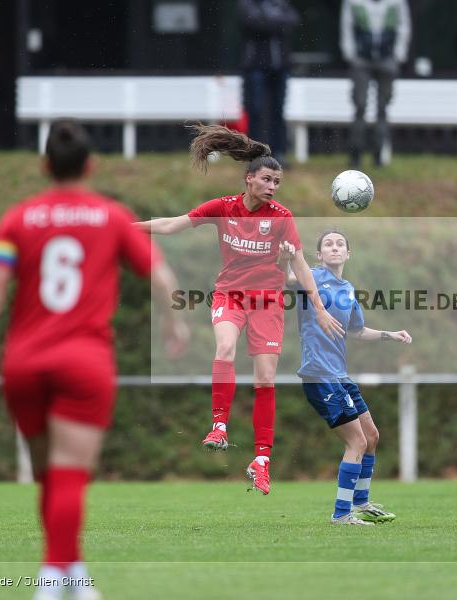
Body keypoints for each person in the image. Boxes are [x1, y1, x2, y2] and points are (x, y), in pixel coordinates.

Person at [0, 120, 189, 600]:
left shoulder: (16, 219)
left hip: (23, 361)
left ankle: (73, 574)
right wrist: (174, 323)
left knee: (49, 474)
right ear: (91, 165)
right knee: (69, 472)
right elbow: (162, 276)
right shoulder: (111, 217)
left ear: (45, 166)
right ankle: (52, 577)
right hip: (84, 361)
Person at [136, 125, 345, 496]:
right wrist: (122, 228)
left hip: (267, 302)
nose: (272, 187)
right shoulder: (222, 208)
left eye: (277, 182)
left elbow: (299, 266)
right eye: (266, 179)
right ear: (249, 179)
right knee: (225, 349)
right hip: (230, 296)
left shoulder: (281, 217)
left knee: (265, 380)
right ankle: (219, 426)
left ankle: (261, 461)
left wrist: (319, 307)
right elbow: (171, 225)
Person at [279, 229, 411, 525]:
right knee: (356, 443)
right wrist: (284, 259)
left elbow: (356, 330)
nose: (335, 248)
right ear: (319, 254)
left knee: (372, 437)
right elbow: (285, 280)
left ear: (348, 254)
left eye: (340, 244)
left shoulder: (348, 288)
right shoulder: (310, 277)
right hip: (319, 374)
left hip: (339, 375)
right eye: (328, 244)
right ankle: (341, 514)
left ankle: (361, 504)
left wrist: (391, 334)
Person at [340, 0, 411, 168]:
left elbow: (404, 27)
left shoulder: (397, 2)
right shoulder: (353, 2)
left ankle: (379, 153)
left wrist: (398, 55)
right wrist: (350, 54)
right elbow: (346, 27)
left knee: (383, 108)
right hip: (361, 59)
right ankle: (356, 153)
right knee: (360, 105)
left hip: (387, 59)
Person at [238, 0, 301, 167]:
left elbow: (294, 20)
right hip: (256, 66)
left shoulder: (281, 4)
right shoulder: (249, 4)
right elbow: (252, 23)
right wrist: (278, 24)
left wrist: (269, 22)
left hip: (280, 66)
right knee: (256, 110)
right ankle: (255, 154)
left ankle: (278, 153)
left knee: (278, 110)